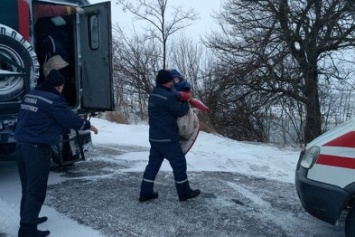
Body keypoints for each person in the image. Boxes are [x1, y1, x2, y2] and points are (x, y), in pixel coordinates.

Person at [14, 69, 98, 237]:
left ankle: (28, 218)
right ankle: (27, 229)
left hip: (22, 145)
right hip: (37, 149)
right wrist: (87, 126)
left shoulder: (31, 94)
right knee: (36, 188)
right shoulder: (53, 100)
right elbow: (69, 119)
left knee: (28, 187)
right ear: (59, 87)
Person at [139, 69, 200, 202]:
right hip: (167, 138)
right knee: (179, 163)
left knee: (152, 166)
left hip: (155, 138)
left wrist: (177, 95)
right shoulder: (167, 97)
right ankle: (184, 192)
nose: (173, 83)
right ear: (165, 82)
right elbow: (180, 111)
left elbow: (170, 100)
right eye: (170, 81)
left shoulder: (155, 93)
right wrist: (186, 100)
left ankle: (145, 192)